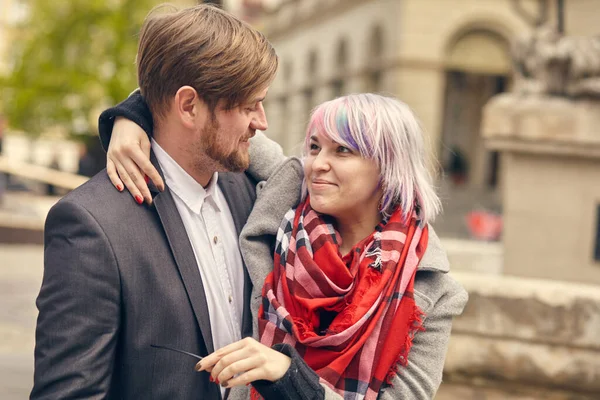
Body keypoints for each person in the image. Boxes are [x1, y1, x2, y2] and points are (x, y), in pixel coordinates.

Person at [101, 94, 468, 399]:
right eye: (313, 147)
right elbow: (201, 109)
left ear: (389, 166)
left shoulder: (430, 290)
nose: (317, 165)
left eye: (342, 151)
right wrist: (128, 118)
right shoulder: (287, 194)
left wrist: (290, 376)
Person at [31, 4, 278, 400]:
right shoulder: (91, 225)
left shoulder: (254, 191)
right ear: (188, 106)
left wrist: (128, 113)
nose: (261, 122)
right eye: (248, 105)